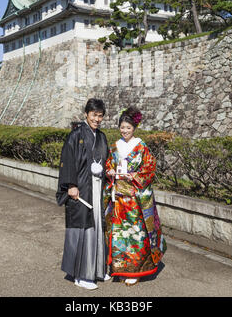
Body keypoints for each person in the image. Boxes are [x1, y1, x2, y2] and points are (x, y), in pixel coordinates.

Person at [104, 107, 167, 286]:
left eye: (128, 128)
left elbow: (149, 169)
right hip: (119, 198)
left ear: (134, 128)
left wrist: (134, 176)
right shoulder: (115, 146)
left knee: (136, 235)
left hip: (135, 198)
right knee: (120, 235)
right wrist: (110, 171)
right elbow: (109, 164)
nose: (124, 131)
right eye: (122, 127)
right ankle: (121, 268)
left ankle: (137, 270)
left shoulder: (141, 147)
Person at [56, 98, 110, 290]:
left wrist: (108, 171)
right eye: (94, 115)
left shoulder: (101, 137)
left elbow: (107, 159)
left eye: (100, 116)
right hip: (81, 188)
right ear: (86, 114)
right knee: (82, 229)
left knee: (96, 227)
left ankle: (96, 269)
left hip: (97, 187)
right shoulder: (76, 135)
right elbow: (68, 159)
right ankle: (80, 275)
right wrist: (71, 185)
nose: (97, 119)